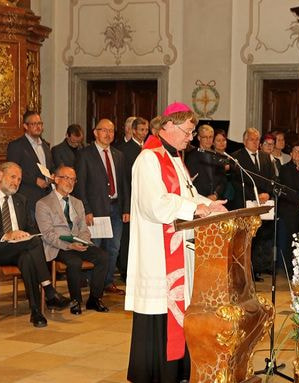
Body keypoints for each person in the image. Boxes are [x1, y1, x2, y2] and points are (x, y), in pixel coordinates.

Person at [125, 102, 227, 382]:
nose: (191, 137)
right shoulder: (148, 159)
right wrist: (195, 209)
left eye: (193, 132)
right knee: (160, 315)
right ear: (168, 125)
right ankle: (157, 374)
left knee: (178, 314)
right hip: (159, 256)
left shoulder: (174, 159)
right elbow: (155, 205)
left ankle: (177, 372)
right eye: (188, 130)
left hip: (177, 250)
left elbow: (188, 195)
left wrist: (210, 205)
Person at [0, 162, 70, 327]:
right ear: (0, 176)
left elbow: (30, 227)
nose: (16, 182)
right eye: (13, 177)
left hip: (19, 249)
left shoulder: (21, 200)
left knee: (28, 256)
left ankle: (36, 312)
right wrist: (6, 235)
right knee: (33, 245)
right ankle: (49, 290)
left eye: (19, 179)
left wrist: (28, 234)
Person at [35, 166, 110, 315]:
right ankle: (76, 301)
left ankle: (94, 299)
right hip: (58, 246)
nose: (70, 182)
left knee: (103, 257)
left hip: (78, 242)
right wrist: (70, 245)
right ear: (56, 179)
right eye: (66, 178)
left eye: (73, 179)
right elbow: (48, 235)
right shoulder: (43, 204)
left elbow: (84, 229)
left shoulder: (77, 203)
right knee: (74, 262)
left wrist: (82, 242)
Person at [74, 119, 130, 295]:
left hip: (116, 207)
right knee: (95, 247)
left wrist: (126, 208)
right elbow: (80, 185)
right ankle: (93, 283)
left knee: (114, 247)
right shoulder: (85, 154)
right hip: (95, 210)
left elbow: (124, 184)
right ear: (95, 132)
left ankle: (107, 282)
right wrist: (86, 210)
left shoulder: (118, 155)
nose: (108, 134)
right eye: (104, 130)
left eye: (111, 131)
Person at [231, 127, 277, 280]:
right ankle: (244, 272)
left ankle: (256, 269)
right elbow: (237, 182)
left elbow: (272, 179)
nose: (255, 142)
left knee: (261, 237)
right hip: (246, 202)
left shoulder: (265, 157)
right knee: (245, 238)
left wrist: (267, 194)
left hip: (263, 202)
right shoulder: (236, 157)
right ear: (245, 141)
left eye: (257, 139)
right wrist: (256, 195)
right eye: (252, 139)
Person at [118, 117, 149, 282]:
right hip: (130, 198)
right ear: (134, 130)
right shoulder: (125, 149)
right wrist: (126, 208)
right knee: (127, 237)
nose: (144, 133)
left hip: (144, 199)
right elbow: (124, 180)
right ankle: (125, 270)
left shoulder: (148, 148)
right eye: (141, 130)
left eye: (146, 130)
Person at [6, 110, 54, 212]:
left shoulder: (45, 146)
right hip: (27, 196)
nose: (38, 127)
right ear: (26, 126)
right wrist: (34, 180)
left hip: (46, 195)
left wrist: (52, 176)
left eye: (40, 123)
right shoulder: (16, 146)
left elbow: (51, 167)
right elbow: (12, 170)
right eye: (34, 124)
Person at [277, 143, 299, 276]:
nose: (297, 153)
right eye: (294, 151)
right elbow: (289, 186)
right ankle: (290, 269)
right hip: (289, 209)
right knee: (291, 240)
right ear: (290, 154)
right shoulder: (285, 168)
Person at [185, 124, 225, 200]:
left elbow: (223, 180)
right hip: (199, 199)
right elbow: (192, 181)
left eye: (210, 137)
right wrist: (204, 198)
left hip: (216, 199)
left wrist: (216, 195)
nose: (208, 140)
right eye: (205, 137)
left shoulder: (217, 156)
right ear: (199, 138)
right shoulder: (191, 156)